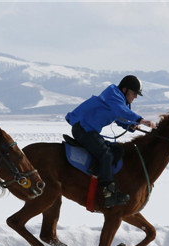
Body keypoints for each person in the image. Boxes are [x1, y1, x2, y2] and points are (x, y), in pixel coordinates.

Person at [65, 75, 157, 208]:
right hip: (83, 129)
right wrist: (140, 120)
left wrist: (130, 125)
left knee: (117, 150)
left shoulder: (117, 99)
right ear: (124, 90)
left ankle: (102, 176)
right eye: (134, 93)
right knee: (106, 154)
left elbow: (119, 117)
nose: (135, 97)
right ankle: (109, 193)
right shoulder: (113, 94)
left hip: (89, 130)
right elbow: (120, 110)